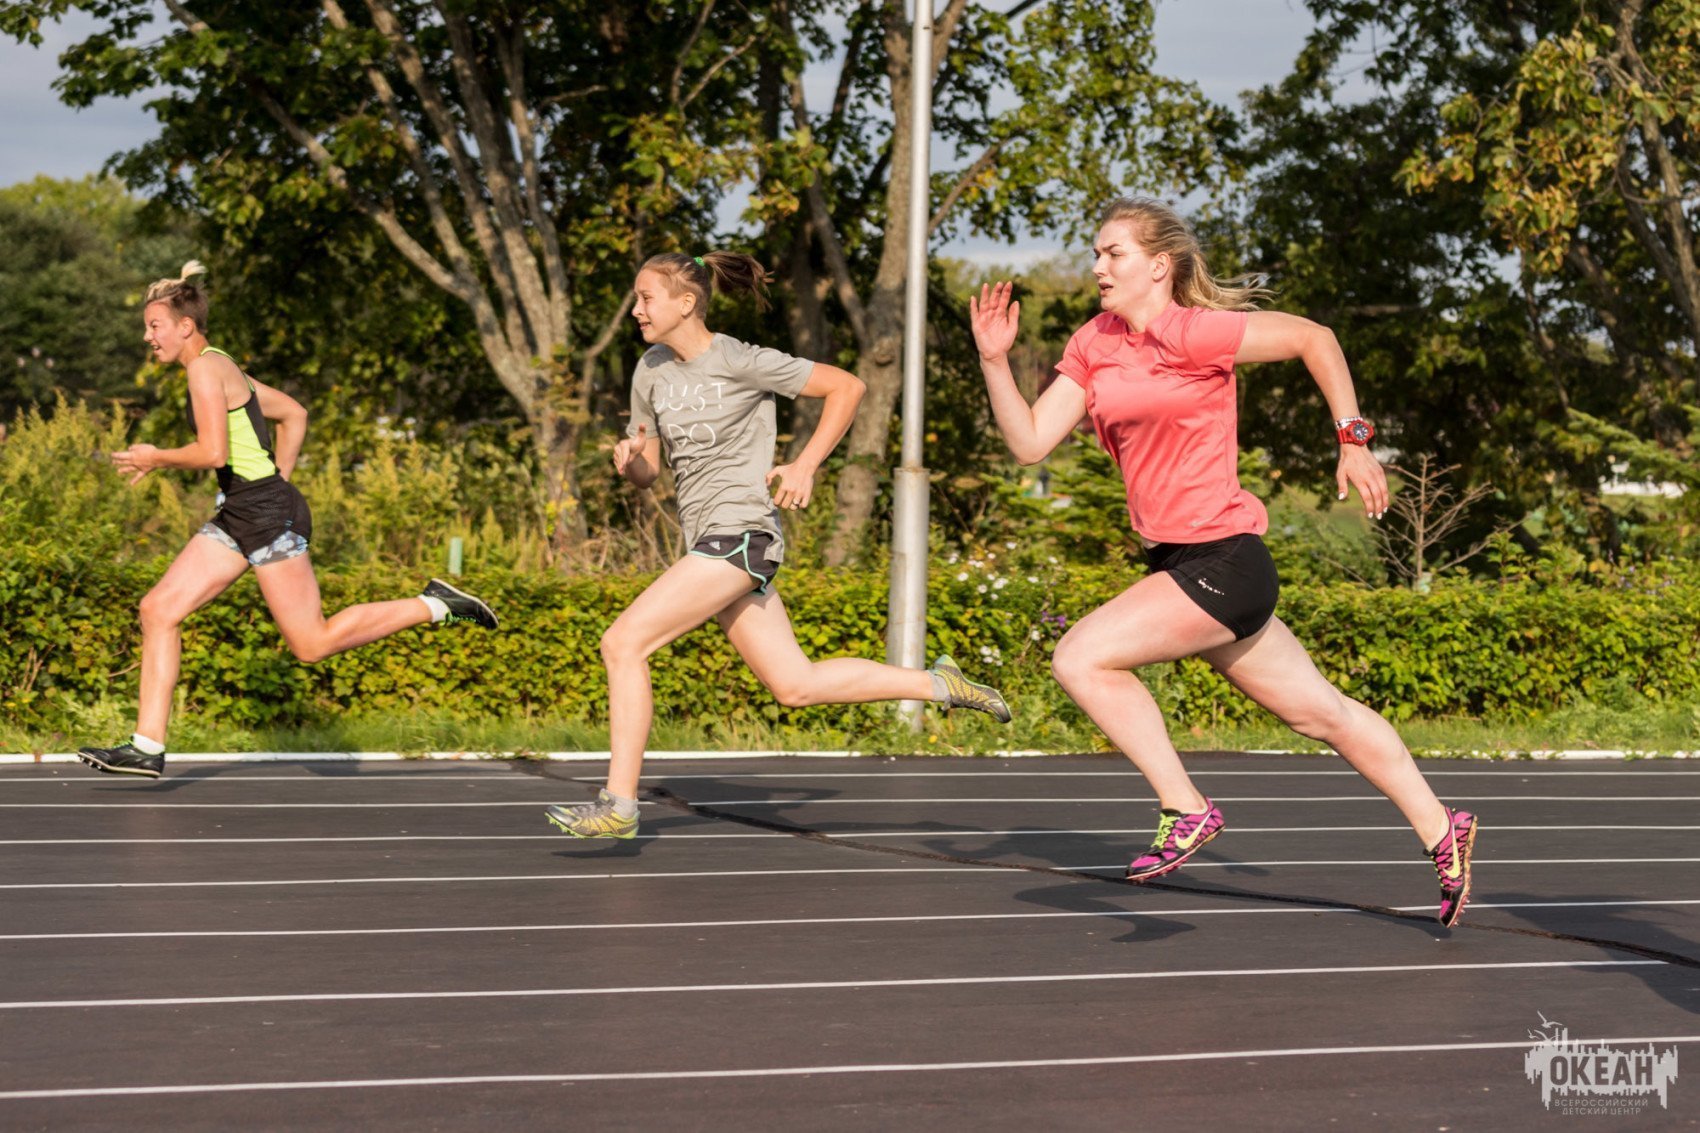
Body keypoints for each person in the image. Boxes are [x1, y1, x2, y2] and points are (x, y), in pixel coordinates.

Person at [968, 199, 1478, 927]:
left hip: (1226, 561)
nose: (1098, 266)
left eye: (1113, 253)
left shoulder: (1194, 331)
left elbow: (1316, 338)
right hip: (1181, 565)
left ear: (1159, 266)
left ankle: (1185, 807)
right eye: (1096, 253)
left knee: (1080, 657)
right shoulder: (1094, 342)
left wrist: (1354, 440)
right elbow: (1028, 443)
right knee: (1322, 713)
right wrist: (994, 361)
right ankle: (1441, 828)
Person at [544, 251, 1009, 838]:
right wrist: (631, 459)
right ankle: (941, 684)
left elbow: (847, 386)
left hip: (742, 535)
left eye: (645, 298)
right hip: (707, 541)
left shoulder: (740, 359)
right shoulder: (651, 370)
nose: (636, 309)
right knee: (794, 685)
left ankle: (619, 805)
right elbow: (649, 473)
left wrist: (805, 464)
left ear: (685, 303)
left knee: (622, 643)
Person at [76, 262, 497, 780]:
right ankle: (146, 746)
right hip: (245, 510)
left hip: (267, 515)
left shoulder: (206, 369)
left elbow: (212, 452)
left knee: (311, 644)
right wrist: (278, 480)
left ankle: (437, 605)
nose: (147, 337)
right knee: (158, 609)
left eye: (154, 326)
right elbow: (294, 412)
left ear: (185, 326)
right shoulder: (220, 365)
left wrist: (156, 457)